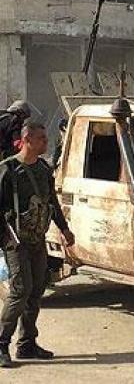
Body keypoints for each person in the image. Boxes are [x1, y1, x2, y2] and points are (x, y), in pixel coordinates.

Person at [0, 122, 75, 366]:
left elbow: (51, 201)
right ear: (28, 140)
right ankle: (1, 345)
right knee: (21, 290)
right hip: (16, 241)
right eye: (41, 139)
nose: (46, 142)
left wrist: (64, 228)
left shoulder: (43, 169)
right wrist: (7, 238)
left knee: (36, 291)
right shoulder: (8, 170)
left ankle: (27, 344)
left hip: (37, 239)